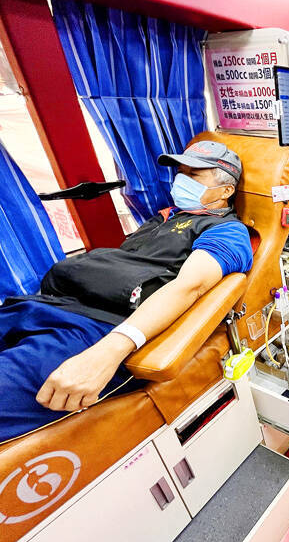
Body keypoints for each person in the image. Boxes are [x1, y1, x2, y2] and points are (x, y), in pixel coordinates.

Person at [0, 141, 253, 441]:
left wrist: (108, 351)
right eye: (180, 172)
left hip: (95, 328)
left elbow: (190, 287)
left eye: (194, 176)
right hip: (45, 305)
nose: (181, 181)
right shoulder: (166, 216)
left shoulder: (227, 231)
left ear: (226, 191)